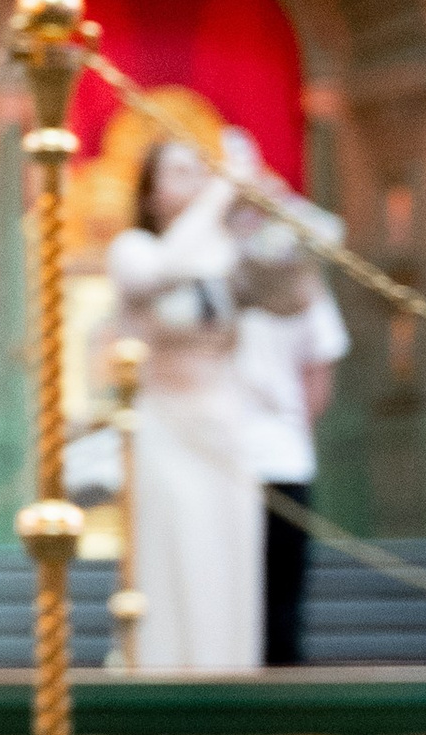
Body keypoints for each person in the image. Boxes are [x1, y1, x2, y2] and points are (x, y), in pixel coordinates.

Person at [105, 134, 261, 673]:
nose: (194, 183)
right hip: (166, 425)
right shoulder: (133, 249)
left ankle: (230, 682)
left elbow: (290, 297)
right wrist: (221, 193)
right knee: (175, 556)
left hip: (223, 423)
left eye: (199, 171)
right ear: (149, 193)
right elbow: (158, 273)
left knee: (229, 559)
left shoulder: (226, 251)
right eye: (177, 172)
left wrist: (262, 208)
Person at [232, 213, 350, 668]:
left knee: (280, 602)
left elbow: (319, 369)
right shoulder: (216, 269)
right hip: (223, 457)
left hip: (281, 457)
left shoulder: (303, 283)